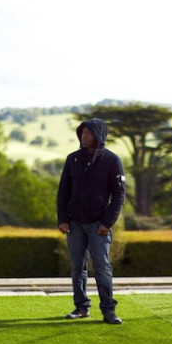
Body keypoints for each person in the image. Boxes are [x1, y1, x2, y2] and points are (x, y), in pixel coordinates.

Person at [57, 118, 125, 324]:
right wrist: (62, 219)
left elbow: (119, 195)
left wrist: (107, 223)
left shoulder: (112, 161)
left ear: (98, 135)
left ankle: (108, 311)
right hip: (74, 224)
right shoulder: (72, 160)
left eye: (88, 133)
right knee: (78, 267)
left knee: (102, 267)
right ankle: (81, 308)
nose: (83, 136)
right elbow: (63, 192)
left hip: (99, 226)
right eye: (82, 133)